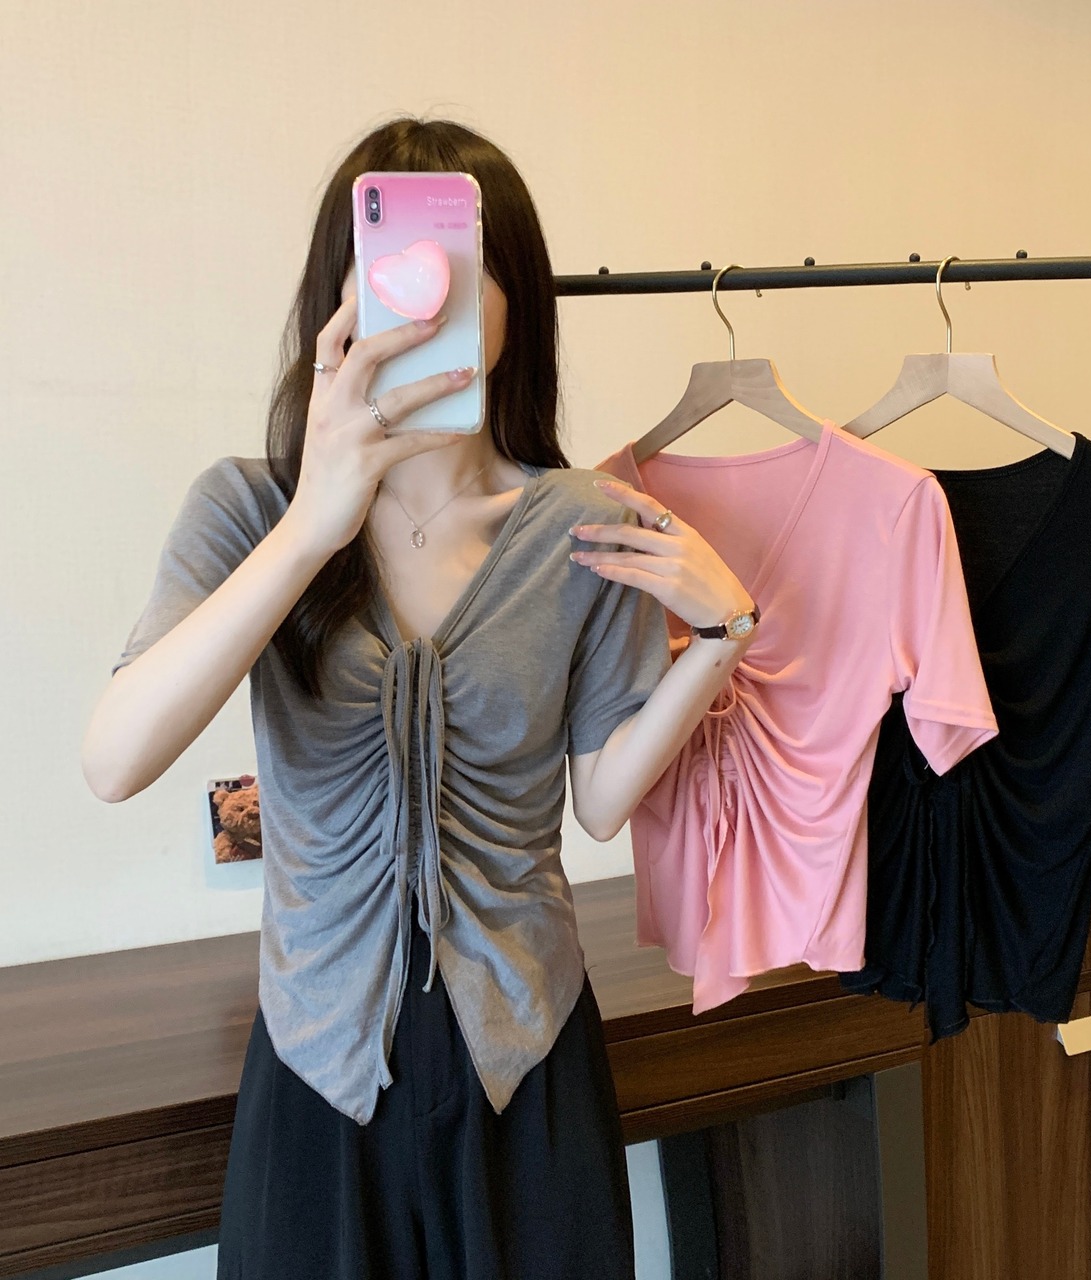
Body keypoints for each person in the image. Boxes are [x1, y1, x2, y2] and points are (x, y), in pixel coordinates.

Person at [81, 118, 758, 1280]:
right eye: (393, 254)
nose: (426, 287)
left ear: (517, 300)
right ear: (335, 292)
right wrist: (311, 525)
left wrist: (721, 636)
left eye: (466, 259)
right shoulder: (247, 509)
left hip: (527, 1054)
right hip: (316, 1060)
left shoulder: (582, 524)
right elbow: (114, 759)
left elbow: (600, 802)